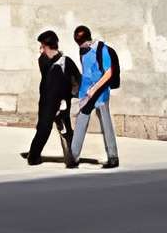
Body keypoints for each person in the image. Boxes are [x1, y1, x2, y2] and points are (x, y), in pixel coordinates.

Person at [67, 23, 119, 168]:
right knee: (81, 122)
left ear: (88, 39)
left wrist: (95, 88)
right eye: (79, 44)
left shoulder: (102, 50)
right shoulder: (82, 50)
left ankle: (113, 157)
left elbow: (109, 72)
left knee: (106, 123)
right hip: (86, 93)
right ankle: (73, 156)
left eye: (82, 43)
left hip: (100, 92)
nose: (81, 46)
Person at [21, 29, 73, 165]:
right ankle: (33, 156)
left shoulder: (66, 62)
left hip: (61, 102)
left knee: (66, 132)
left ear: (48, 46)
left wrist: (66, 98)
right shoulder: (44, 60)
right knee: (43, 129)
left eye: (42, 46)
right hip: (47, 101)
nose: (40, 50)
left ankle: (72, 157)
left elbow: (75, 81)